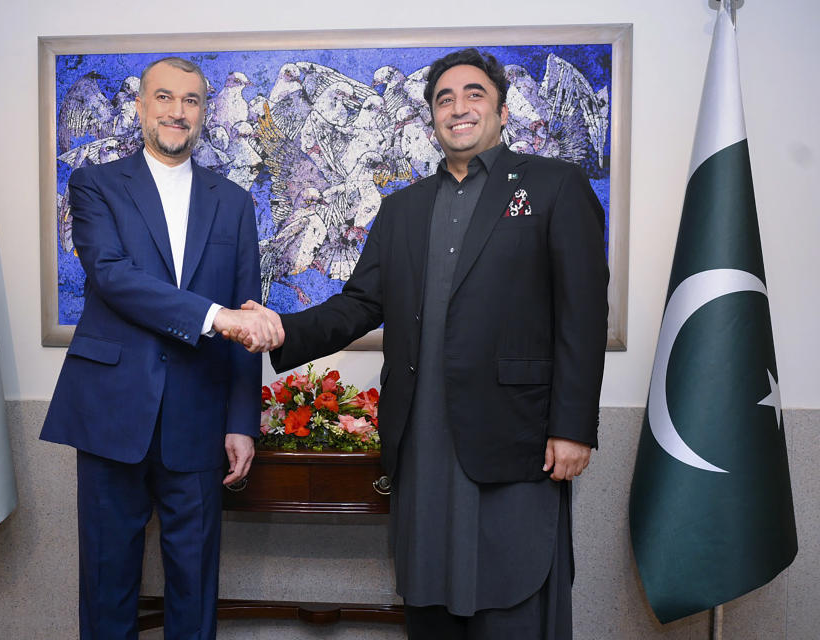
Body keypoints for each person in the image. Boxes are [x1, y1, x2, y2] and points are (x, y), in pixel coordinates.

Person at [238, 48, 608, 639]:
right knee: (430, 602)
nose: (458, 108)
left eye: (474, 94)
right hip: (423, 440)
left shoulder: (553, 186)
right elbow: (358, 305)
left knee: (514, 600)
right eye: (444, 99)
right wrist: (283, 328)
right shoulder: (401, 209)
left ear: (503, 111)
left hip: (515, 436)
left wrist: (573, 427)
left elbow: (582, 315)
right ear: (431, 119)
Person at [40, 57, 281, 640]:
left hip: (199, 417)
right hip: (110, 412)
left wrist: (242, 421)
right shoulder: (95, 183)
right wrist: (211, 315)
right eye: (165, 98)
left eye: (192, 100)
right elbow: (113, 277)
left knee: (196, 587)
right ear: (142, 106)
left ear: (203, 113)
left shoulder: (234, 202)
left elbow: (247, 313)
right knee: (106, 585)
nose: (178, 111)